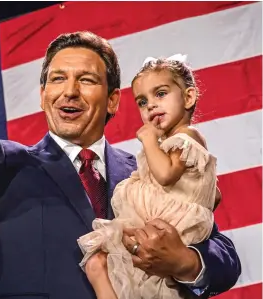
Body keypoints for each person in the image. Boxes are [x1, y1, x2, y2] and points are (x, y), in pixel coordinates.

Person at [0, 1, 241, 298]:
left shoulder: (145, 173)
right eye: (57, 79)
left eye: (86, 80)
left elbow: (223, 255)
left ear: (113, 101)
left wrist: (184, 262)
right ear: (43, 96)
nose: (69, 91)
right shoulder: (5, 164)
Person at [77, 55, 223, 299]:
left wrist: (147, 140)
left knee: (104, 266)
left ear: (188, 97)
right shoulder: (173, 146)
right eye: (143, 102)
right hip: (156, 226)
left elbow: (165, 175)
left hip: (167, 231)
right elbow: (214, 195)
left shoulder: (186, 138)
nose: (151, 105)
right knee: (98, 265)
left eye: (161, 94)